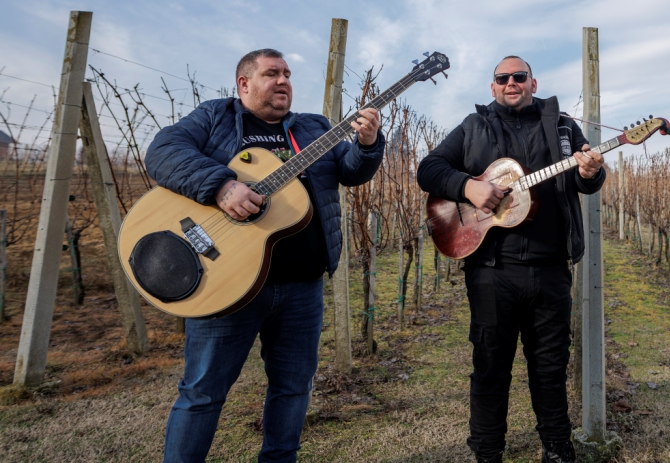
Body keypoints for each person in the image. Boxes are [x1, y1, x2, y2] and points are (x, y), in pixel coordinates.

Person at [146, 48, 385, 463]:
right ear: (244, 83)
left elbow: (350, 172)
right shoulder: (215, 116)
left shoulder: (314, 127)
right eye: (272, 73)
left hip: (302, 288)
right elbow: (163, 151)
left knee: (293, 388)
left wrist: (367, 144)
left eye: (287, 73)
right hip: (227, 284)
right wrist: (221, 186)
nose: (283, 81)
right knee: (202, 393)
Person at [417, 56, 606, 463]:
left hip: (551, 269)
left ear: (533, 83)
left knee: (551, 367)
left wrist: (591, 173)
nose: (511, 83)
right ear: (493, 87)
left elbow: (582, 180)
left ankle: (557, 450)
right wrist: (468, 187)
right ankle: (488, 453)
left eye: (519, 76)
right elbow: (428, 169)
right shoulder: (473, 127)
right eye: (502, 78)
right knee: (490, 367)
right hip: (491, 271)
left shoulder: (563, 127)